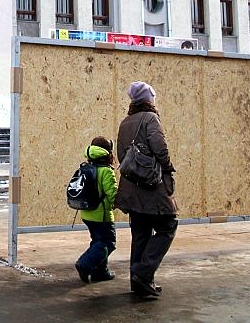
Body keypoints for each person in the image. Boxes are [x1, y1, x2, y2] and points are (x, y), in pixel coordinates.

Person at [115, 81, 177, 298]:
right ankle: (143, 272)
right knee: (168, 225)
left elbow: (123, 156)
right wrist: (168, 166)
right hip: (151, 186)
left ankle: (139, 282)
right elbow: (160, 148)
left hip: (131, 186)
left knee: (140, 233)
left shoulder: (125, 122)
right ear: (148, 100)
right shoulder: (150, 118)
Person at [74, 136, 119, 284]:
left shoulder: (86, 167)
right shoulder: (106, 171)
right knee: (108, 243)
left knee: (98, 241)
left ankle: (101, 272)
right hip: (102, 216)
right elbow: (112, 194)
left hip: (87, 213)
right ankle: (85, 264)